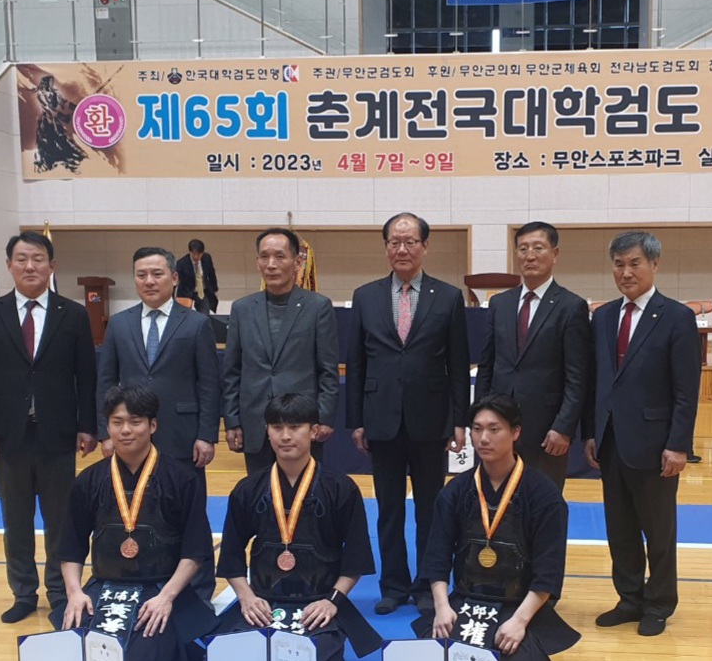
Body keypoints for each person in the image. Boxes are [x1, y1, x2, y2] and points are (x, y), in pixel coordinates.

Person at [417, 394, 580, 661]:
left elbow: (548, 573)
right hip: (466, 602)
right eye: (477, 429)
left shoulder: (543, 495)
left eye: (494, 429)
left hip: (517, 606)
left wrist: (520, 621)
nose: (483, 438)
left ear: (515, 432)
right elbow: (436, 559)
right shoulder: (455, 492)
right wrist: (442, 607)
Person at [54, 386, 217, 661]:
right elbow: (71, 547)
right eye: (117, 422)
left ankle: (175, 650)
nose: (125, 430)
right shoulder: (88, 481)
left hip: (159, 589)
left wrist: (167, 597)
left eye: (135, 422)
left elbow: (195, 551)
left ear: (153, 425)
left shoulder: (181, 479)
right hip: (104, 588)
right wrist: (74, 593)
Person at [0, 231, 97, 623]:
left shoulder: (72, 314)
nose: (29, 266)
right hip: (9, 435)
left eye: (38, 259)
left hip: (58, 434)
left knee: (60, 520)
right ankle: (23, 593)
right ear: (9, 265)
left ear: (51, 266)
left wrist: (87, 426)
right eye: (21, 259)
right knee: (16, 520)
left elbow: (86, 376)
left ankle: (60, 591)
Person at [216, 393, 380, 661]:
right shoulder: (248, 489)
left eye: (295, 427)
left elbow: (355, 560)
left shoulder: (341, 488)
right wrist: (247, 598)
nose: (285, 436)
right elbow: (232, 557)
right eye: (277, 427)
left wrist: (332, 602)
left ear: (314, 431)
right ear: (267, 432)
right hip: (263, 605)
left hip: (317, 605)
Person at [346, 213, 470, 615]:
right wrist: (356, 420)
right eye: (394, 242)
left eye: (410, 241)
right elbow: (356, 363)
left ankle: (429, 585)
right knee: (389, 509)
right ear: (386, 247)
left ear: (424, 247)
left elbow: (458, 362)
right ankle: (394, 585)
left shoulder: (448, 297)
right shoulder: (365, 296)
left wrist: (459, 421)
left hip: (430, 419)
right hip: (380, 419)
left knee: (432, 510)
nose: (402, 249)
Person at [583, 231, 701, 637]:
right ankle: (630, 599)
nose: (626, 272)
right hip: (611, 441)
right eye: (619, 265)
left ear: (654, 264)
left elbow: (686, 390)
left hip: (655, 445)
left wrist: (678, 445)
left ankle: (660, 603)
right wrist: (591, 432)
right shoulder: (602, 317)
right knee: (620, 529)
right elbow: (597, 382)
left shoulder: (677, 317)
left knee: (659, 531)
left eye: (634, 263)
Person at [97, 246, 220, 601]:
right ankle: (143, 579)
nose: (149, 281)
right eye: (141, 275)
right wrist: (106, 432)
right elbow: (106, 381)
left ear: (174, 278)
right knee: (137, 512)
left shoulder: (196, 324)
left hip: (183, 436)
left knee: (191, 515)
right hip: (130, 439)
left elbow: (209, 383)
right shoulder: (119, 324)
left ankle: (199, 592)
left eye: (157, 274)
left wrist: (207, 435)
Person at [475, 221, 591, 491]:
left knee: (542, 502)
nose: (530, 256)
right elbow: (487, 365)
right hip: (499, 426)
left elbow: (577, 376)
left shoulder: (570, 306)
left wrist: (563, 427)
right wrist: (479, 418)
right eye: (523, 249)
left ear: (555, 254)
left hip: (546, 431)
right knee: (496, 501)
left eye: (538, 248)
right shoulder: (500, 303)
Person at [222, 228, 339, 474]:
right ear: (257, 262)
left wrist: (324, 418)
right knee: (259, 491)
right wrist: (232, 420)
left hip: (302, 424)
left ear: (297, 262)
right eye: (264, 257)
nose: (271, 264)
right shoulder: (242, 309)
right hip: (255, 423)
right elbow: (232, 371)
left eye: (279, 256)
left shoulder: (318, 307)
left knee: (304, 491)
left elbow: (328, 371)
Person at [175, 239, 219, 314]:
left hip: (202, 292)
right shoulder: (182, 263)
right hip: (187, 293)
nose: (196, 256)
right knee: (185, 316)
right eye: (193, 254)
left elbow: (211, 274)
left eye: (199, 254)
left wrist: (214, 289)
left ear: (202, 253)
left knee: (204, 316)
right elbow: (176, 281)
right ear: (190, 252)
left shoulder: (206, 258)